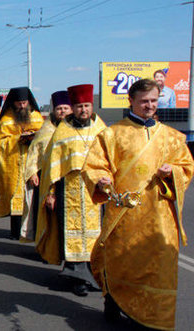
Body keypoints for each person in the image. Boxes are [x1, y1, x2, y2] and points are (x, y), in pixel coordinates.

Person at [82, 78, 194, 329]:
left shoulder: (173, 137)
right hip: (124, 214)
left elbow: (186, 168)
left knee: (160, 267)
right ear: (130, 101)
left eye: (154, 100)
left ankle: (156, 317)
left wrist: (173, 171)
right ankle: (114, 304)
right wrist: (101, 180)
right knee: (121, 261)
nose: (149, 105)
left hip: (160, 216)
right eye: (144, 101)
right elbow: (95, 165)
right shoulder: (111, 134)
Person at [35, 84, 106, 297]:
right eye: (79, 106)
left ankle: (94, 274)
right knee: (72, 234)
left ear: (91, 106)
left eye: (86, 106)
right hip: (69, 191)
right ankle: (77, 278)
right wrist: (51, 193)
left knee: (96, 235)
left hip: (95, 192)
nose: (83, 110)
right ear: (73, 108)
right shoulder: (62, 132)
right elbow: (51, 166)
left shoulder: (101, 130)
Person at [20, 91, 71, 242]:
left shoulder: (76, 129)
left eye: (65, 108)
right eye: (59, 109)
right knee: (44, 212)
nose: (62, 112)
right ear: (54, 111)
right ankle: (44, 245)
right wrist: (32, 173)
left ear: (71, 110)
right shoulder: (46, 130)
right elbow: (34, 152)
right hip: (45, 177)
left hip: (67, 177)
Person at [0, 87, 43, 239]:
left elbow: (44, 137)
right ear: (13, 103)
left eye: (24, 103)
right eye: (19, 103)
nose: (22, 106)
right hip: (14, 162)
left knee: (33, 197)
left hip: (33, 163)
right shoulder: (6, 119)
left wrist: (33, 137)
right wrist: (18, 139)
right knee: (16, 197)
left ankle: (33, 231)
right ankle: (16, 232)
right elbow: (0, 141)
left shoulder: (36, 116)